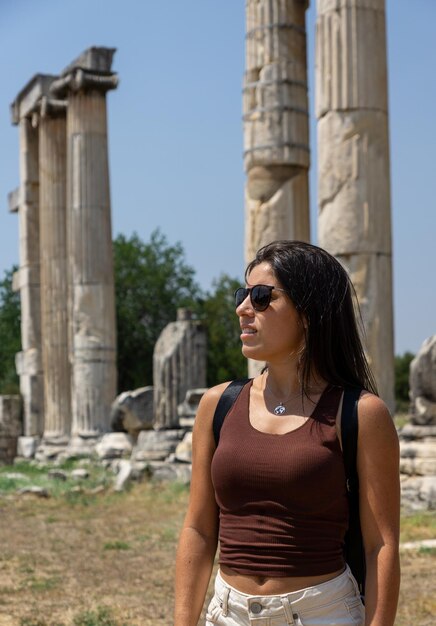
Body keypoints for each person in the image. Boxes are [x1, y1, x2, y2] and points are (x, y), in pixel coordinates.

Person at [174, 240, 400, 626]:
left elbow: (381, 546)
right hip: (228, 615)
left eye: (261, 297)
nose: (242, 308)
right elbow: (198, 527)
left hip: (323, 614)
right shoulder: (218, 404)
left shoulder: (361, 414)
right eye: (242, 294)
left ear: (309, 313)